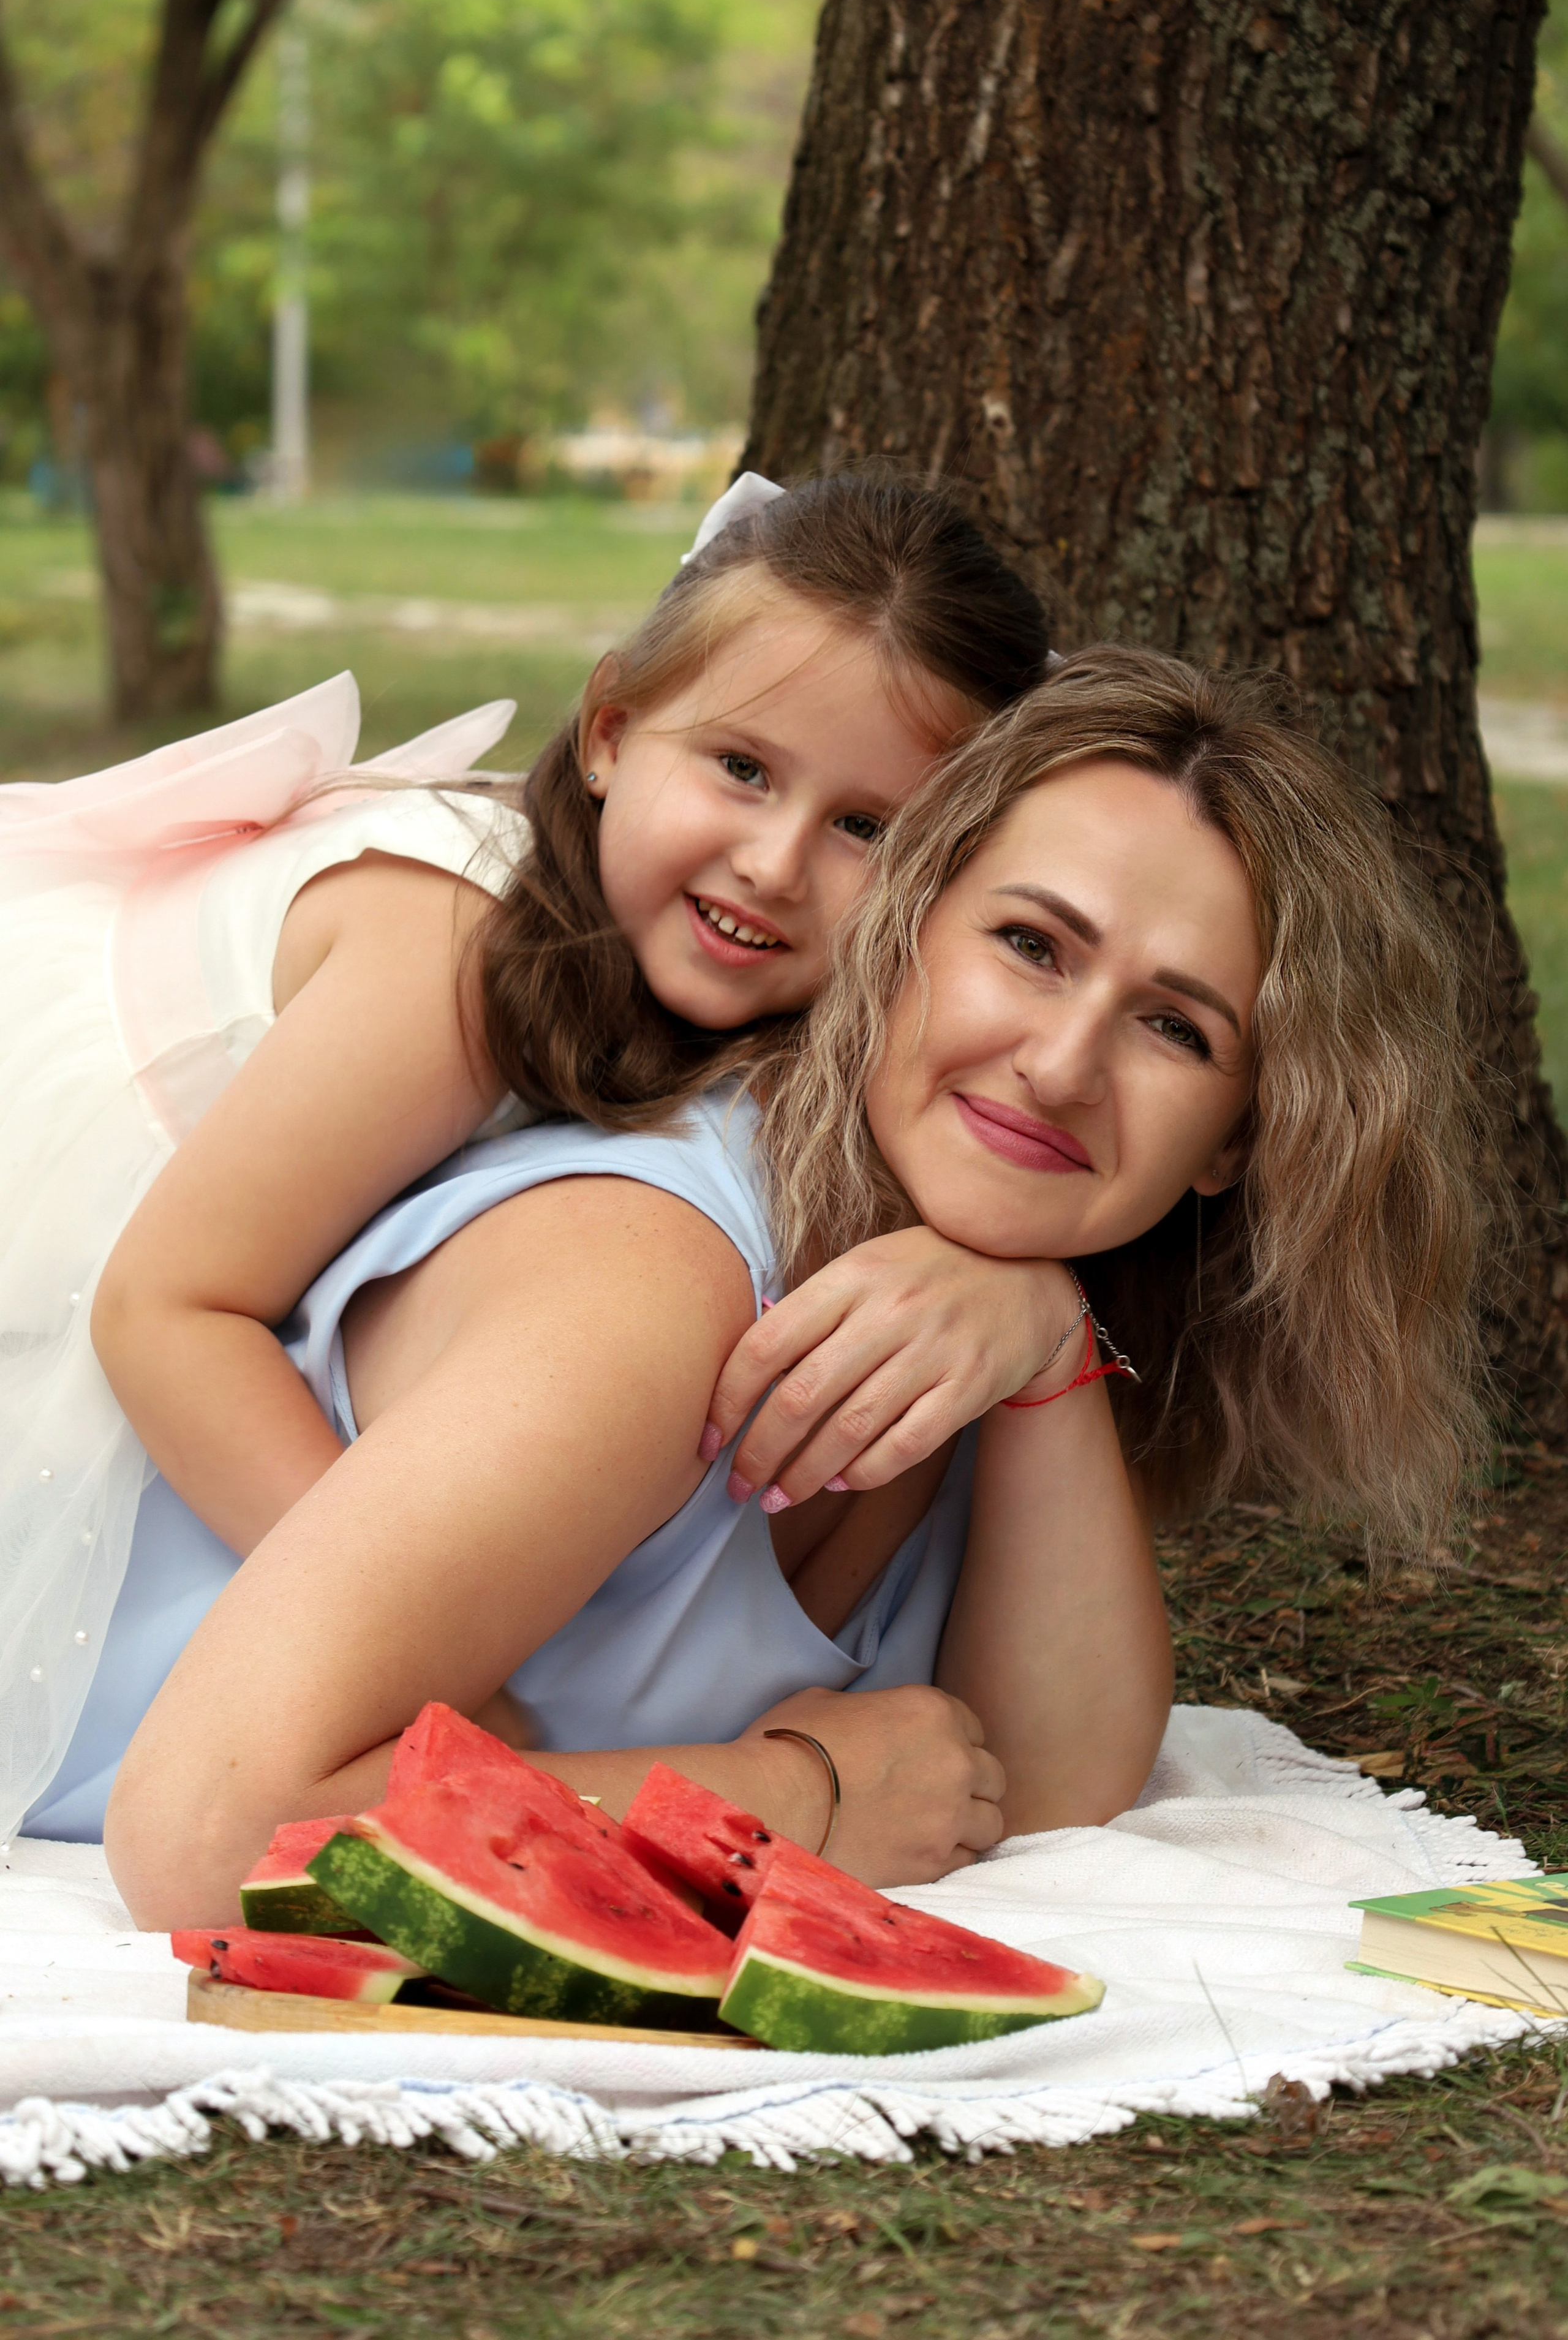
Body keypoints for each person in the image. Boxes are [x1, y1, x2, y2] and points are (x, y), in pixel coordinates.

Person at [96, 645, 1492, 1930]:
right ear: (900, 934)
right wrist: (793, 1798)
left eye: (1173, 1027)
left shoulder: (957, 1309)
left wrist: (1047, 1340)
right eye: (1028, 946)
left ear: (1236, 1140)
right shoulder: (645, 1292)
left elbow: (1047, 1783)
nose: (1063, 1066)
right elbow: (207, 1836)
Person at [0, 470, 1082, 1840]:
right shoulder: (461, 946)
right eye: (740, 769)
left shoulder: (722, 1005)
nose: (769, 860)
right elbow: (166, 1308)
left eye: (865, 829)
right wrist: (430, 1662)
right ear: (610, 732)